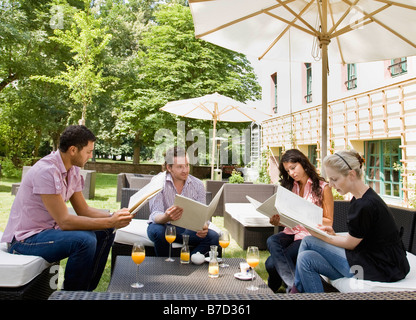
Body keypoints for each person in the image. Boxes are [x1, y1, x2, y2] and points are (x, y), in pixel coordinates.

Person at [1, 125, 133, 291]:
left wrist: (114, 216)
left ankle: (85, 291)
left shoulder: (73, 170)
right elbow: (64, 221)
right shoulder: (47, 172)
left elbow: (83, 210)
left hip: (48, 231)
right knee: (84, 241)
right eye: (88, 151)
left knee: (106, 231)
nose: (91, 156)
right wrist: (110, 221)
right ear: (73, 150)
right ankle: (70, 295)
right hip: (24, 240)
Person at [293, 150, 410, 293]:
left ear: (351, 175)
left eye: (334, 179)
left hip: (380, 266)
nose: (331, 184)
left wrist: (320, 235)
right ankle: (300, 292)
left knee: (308, 241)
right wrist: (334, 235)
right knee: (306, 258)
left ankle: (295, 292)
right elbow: (359, 238)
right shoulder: (363, 197)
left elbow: (350, 244)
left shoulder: (364, 205)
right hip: (377, 259)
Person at [265, 149, 334, 292]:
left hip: (309, 236)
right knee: (272, 240)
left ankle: (280, 288)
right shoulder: (291, 187)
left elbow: (329, 221)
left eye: (293, 167)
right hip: (291, 231)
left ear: (303, 163)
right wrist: (278, 221)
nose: (291, 173)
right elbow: (289, 217)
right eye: (287, 170)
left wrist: (304, 215)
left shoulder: (323, 188)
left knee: (271, 264)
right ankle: (293, 285)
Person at [147, 146, 219, 256]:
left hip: (186, 229)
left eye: (187, 165)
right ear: (169, 167)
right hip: (163, 225)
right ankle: (166, 266)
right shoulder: (158, 181)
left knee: (213, 237)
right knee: (159, 232)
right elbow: (155, 214)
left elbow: (203, 214)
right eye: (180, 167)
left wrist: (204, 225)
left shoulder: (198, 184)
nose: (185, 170)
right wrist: (167, 217)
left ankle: (187, 262)